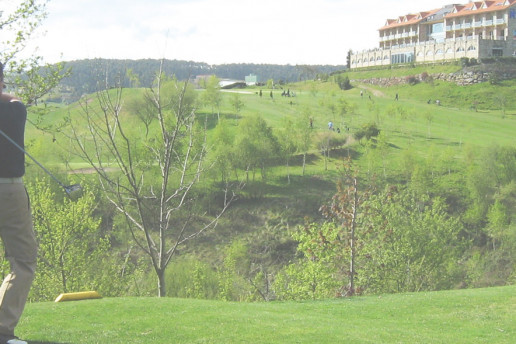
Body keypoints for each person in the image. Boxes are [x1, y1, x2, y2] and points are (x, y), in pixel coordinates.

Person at [0, 62, 37, 344]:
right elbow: (14, 99)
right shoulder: (14, 108)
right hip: (8, 191)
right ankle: (2, 331)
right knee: (23, 260)